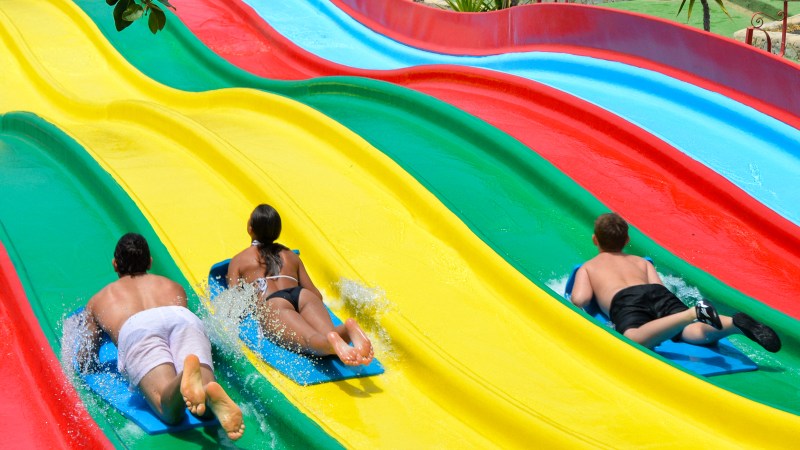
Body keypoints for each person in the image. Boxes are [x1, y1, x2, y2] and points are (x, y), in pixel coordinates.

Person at [78, 233, 245, 441]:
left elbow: (86, 359)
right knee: (201, 400)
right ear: (149, 262)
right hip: (183, 318)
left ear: (114, 264)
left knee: (168, 410)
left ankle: (182, 378)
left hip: (137, 327)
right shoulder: (173, 286)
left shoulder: (99, 299)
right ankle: (206, 388)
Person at [570, 213, 780, 352]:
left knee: (632, 338)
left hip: (625, 300)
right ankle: (733, 324)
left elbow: (580, 299)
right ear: (626, 240)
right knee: (689, 331)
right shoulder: (641, 262)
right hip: (657, 294)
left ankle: (691, 313)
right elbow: (659, 287)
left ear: (594, 239)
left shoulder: (589, 266)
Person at [227, 204, 373, 366]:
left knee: (310, 340)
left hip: (275, 303)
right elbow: (316, 295)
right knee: (328, 334)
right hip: (303, 295)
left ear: (250, 228)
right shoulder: (290, 255)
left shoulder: (239, 260)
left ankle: (332, 342)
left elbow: (234, 302)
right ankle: (347, 329)